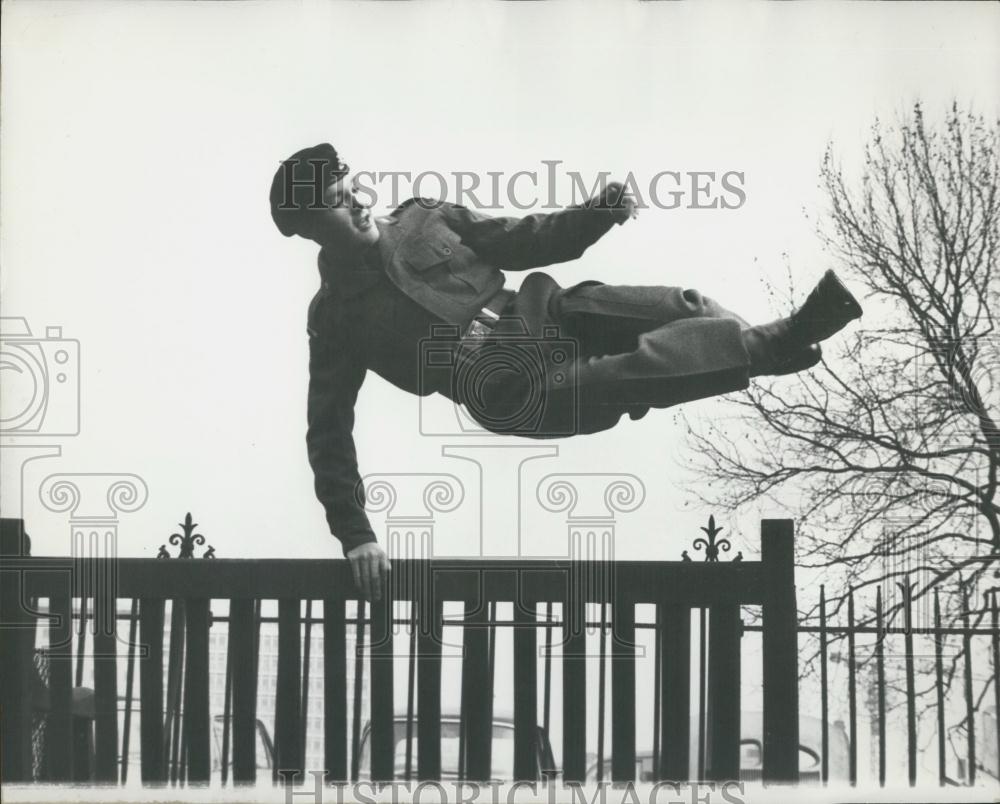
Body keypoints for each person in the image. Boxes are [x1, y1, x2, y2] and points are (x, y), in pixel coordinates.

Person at [269, 144, 863, 601]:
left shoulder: (424, 218)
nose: (358, 201)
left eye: (352, 186)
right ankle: (771, 344)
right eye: (336, 201)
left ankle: (763, 349)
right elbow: (328, 433)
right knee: (620, 376)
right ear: (309, 229)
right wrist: (356, 533)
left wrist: (597, 214)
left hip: (548, 312)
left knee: (684, 309)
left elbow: (526, 240)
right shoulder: (336, 320)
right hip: (507, 384)